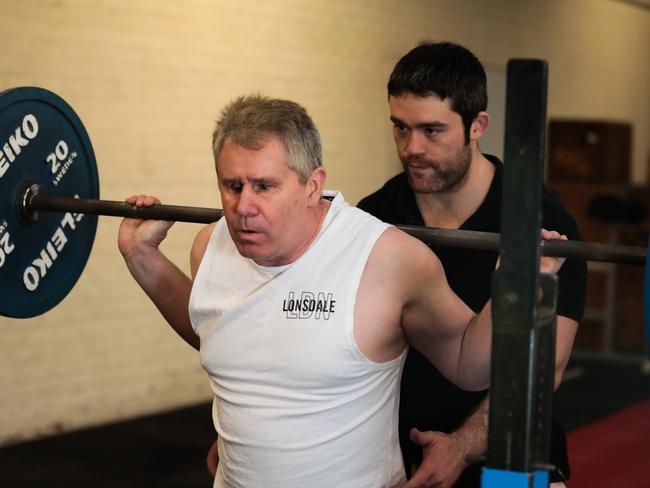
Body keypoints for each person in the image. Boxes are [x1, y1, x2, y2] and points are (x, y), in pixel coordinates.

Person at [118, 94, 566, 488]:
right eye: (232, 186)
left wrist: (517, 287)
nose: (243, 207)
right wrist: (143, 256)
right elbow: (213, 329)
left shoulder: (385, 259)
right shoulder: (210, 246)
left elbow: (471, 366)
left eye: (264, 186)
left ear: (313, 185)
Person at [357, 42, 587, 487]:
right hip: (395, 447)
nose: (412, 148)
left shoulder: (546, 225)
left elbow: (544, 369)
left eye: (431, 131)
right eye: (400, 128)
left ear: (477, 125)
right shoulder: (373, 218)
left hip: (506, 445)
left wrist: (461, 446)